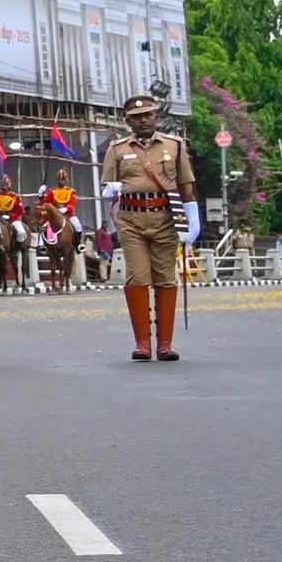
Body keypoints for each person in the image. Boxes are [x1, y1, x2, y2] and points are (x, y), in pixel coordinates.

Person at [104, 92, 197, 362]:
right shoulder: (117, 149)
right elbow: (107, 186)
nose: (143, 121)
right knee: (137, 276)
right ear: (128, 122)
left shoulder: (174, 146)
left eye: (147, 115)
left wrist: (194, 222)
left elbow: (186, 186)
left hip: (166, 218)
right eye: (136, 118)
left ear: (156, 117)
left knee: (166, 277)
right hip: (131, 220)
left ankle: (165, 344)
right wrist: (111, 190)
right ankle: (142, 343)